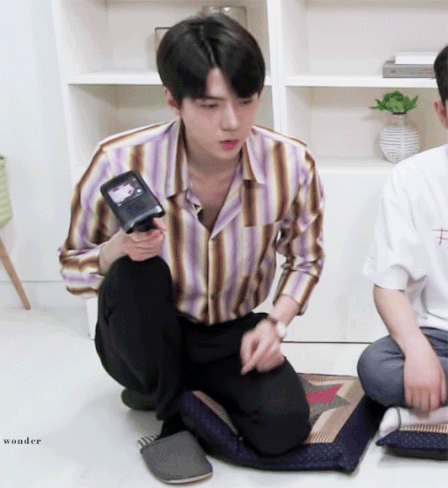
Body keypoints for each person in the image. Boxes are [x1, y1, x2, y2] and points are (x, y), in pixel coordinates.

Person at [59, 13, 324, 476]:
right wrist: (116, 249)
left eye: (246, 101)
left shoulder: (291, 163)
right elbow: (71, 268)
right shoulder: (120, 161)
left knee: (283, 430)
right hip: (144, 332)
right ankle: (168, 411)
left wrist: (275, 325)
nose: (232, 122)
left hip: (230, 331)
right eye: (209, 105)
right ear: (172, 100)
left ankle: (175, 391)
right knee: (140, 270)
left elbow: (306, 259)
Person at [357, 45, 448, 438]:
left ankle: (428, 412)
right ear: (442, 112)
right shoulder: (412, 178)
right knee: (376, 368)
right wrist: (416, 349)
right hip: (439, 336)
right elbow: (388, 286)